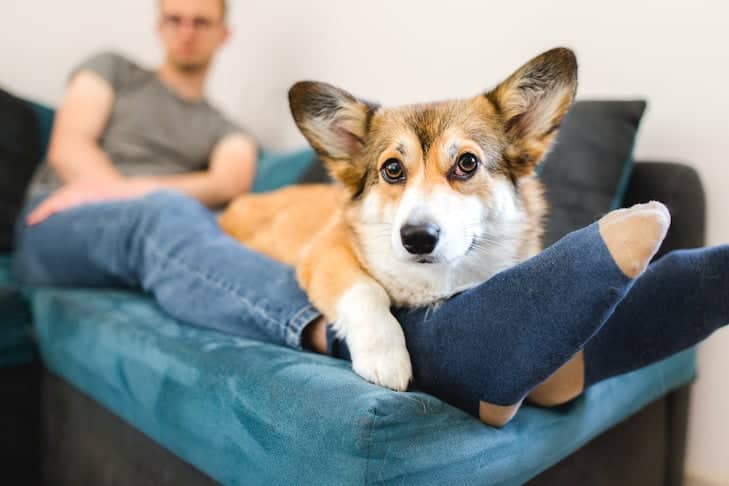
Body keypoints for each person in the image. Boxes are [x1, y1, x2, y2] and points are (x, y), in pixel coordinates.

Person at [14, 0, 729, 426]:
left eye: (202, 18)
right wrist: (132, 193)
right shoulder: (112, 70)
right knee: (165, 214)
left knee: (187, 220)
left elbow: (232, 190)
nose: (186, 30)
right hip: (64, 221)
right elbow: (72, 147)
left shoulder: (227, 134)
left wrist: (211, 185)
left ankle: (535, 359)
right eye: (174, 17)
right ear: (159, 23)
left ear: (223, 31)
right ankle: (450, 348)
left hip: (191, 221)